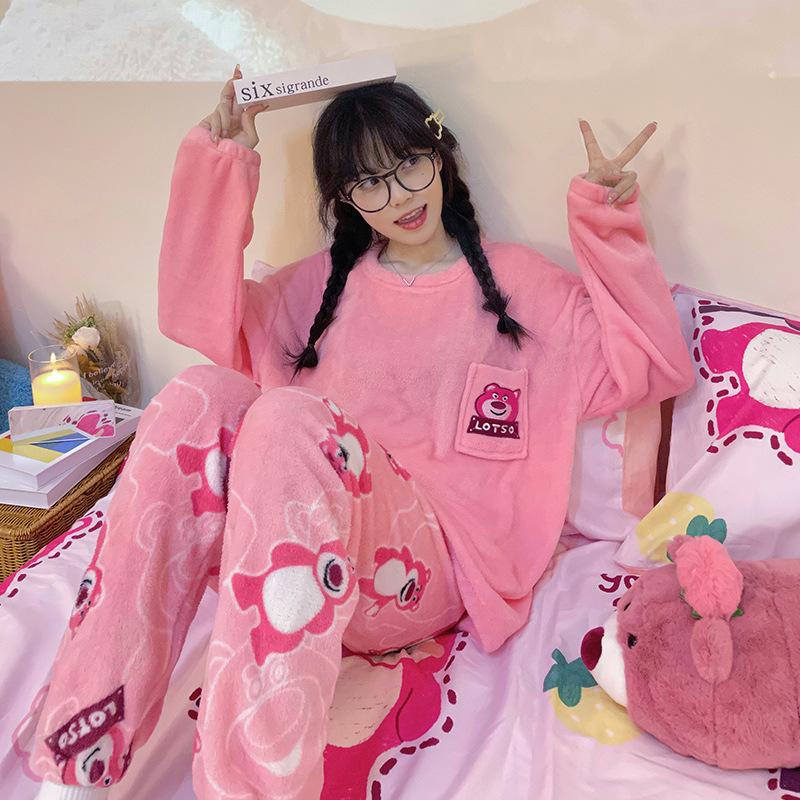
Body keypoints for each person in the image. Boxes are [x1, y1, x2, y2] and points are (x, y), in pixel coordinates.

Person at [30, 64, 694, 799]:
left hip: (427, 573)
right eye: (369, 183)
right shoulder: (317, 289)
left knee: (285, 414)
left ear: (440, 155)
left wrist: (607, 223)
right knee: (197, 395)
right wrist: (221, 167)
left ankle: (252, 788)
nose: (400, 196)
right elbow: (194, 318)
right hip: (296, 574)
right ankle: (79, 761)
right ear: (346, 200)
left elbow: (655, 365)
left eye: (409, 165)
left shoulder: (521, 285)